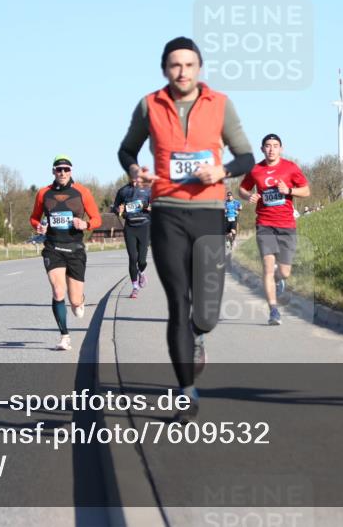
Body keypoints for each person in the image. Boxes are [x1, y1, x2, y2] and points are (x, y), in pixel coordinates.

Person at [118, 36, 254, 421]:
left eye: (189, 65)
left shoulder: (221, 105)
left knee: (206, 312)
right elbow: (127, 149)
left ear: (199, 68)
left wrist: (222, 170)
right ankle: (186, 393)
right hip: (166, 212)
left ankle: (198, 335)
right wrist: (135, 171)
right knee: (179, 302)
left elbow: (246, 156)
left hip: (209, 211)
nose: (182, 71)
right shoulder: (150, 105)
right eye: (175, 65)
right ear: (165, 69)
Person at [30, 155, 103, 351]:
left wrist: (86, 224)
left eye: (66, 169)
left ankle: (80, 302)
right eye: (58, 169)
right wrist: (39, 227)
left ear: (71, 171)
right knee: (57, 291)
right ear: (53, 171)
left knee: (75, 301)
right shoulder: (43, 193)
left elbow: (97, 218)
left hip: (75, 249)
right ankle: (64, 336)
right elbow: (34, 218)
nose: (62, 172)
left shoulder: (82, 192)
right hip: (53, 248)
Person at [239, 133, 310, 326]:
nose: (271, 149)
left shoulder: (290, 168)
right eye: (268, 146)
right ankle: (273, 311)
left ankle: (279, 280)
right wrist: (248, 197)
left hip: (287, 224)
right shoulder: (256, 170)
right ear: (262, 149)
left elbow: (306, 190)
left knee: (285, 272)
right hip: (265, 224)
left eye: (275, 145)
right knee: (268, 267)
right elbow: (243, 189)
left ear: (281, 148)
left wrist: (289, 191)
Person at [113, 174, 152, 298]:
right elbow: (114, 207)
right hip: (130, 227)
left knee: (141, 260)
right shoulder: (123, 191)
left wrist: (146, 206)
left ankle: (142, 271)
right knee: (132, 258)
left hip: (145, 226)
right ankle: (135, 287)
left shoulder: (148, 189)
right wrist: (118, 210)